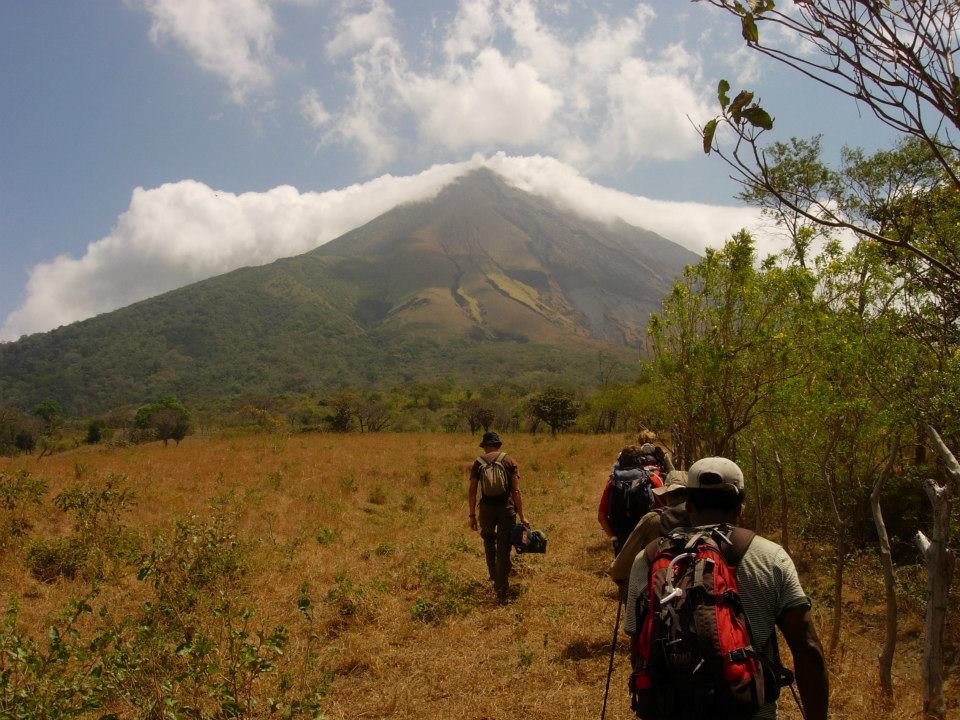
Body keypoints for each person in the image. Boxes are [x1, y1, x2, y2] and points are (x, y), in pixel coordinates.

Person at [624, 457, 829, 720]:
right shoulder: (771, 557)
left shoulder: (649, 559)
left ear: (688, 505)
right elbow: (808, 647)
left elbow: (639, 645)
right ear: (740, 507)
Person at [607, 469, 689, 595]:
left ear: (666, 495)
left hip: (658, 594)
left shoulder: (653, 520)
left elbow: (619, 570)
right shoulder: (705, 521)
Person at [468, 431, 526, 603]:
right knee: (504, 546)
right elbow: (516, 491)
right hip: (506, 509)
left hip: (486, 509)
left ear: (485, 446)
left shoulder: (478, 463)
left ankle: (493, 576)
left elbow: (472, 491)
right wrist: (522, 515)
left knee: (488, 539)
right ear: (498, 445)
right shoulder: (509, 461)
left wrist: (472, 515)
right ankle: (502, 589)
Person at [598, 444, 667, 555]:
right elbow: (665, 510)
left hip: (621, 540)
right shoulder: (652, 479)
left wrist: (614, 538)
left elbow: (601, 516)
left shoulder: (612, 483)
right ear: (641, 461)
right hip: (647, 539)